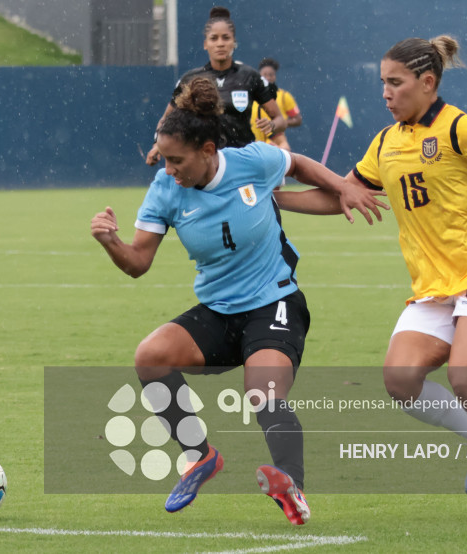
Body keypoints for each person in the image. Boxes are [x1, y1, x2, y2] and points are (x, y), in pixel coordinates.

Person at [282, 35, 467, 526]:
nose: (385, 92)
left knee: (465, 377)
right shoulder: (386, 141)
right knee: (401, 381)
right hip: (434, 288)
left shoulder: (460, 127)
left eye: (394, 82)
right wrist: (275, 198)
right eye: (382, 82)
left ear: (427, 82)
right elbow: (344, 195)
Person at [92, 77, 386, 525]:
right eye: (165, 160)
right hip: (217, 312)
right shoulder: (166, 189)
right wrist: (111, 242)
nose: (169, 170)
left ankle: (292, 488)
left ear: (208, 151)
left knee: (263, 391)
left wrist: (343, 187)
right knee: (150, 356)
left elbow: (300, 164)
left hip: (275, 302)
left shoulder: (251, 161)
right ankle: (201, 456)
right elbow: (137, 263)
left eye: (177, 160)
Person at [145, 6, 285, 166]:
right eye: (214, 38)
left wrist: (272, 125)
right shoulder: (191, 79)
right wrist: (157, 145)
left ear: (234, 43)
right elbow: (165, 120)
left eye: (226, 38)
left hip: (243, 161)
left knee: (248, 193)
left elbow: (280, 119)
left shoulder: (249, 76)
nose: (220, 44)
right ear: (205, 44)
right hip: (205, 164)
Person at [250, 57, 303, 151]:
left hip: (274, 138)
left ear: (275, 76)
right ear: (259, 75)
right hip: (253, 139)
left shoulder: (284, 96)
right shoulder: (252, 95)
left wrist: (279, 122)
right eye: (265, 74)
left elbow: (298, 119)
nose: (268, 77)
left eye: (271, 74)